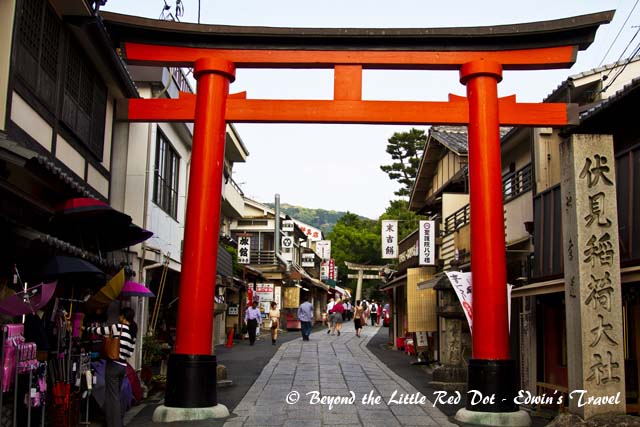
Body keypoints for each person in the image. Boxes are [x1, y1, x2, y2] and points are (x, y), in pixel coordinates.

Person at [85, 307, 137, 427]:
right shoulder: (133, 331)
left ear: (123, 316)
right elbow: (130, 351)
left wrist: (85, 328)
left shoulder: (118, 327)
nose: (118, 318)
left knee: (111, 397)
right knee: (116, 395)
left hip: (113, 364)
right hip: (123, 365)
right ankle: (118, 421)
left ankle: (114, 424)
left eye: (120, 316)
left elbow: (100, 330)